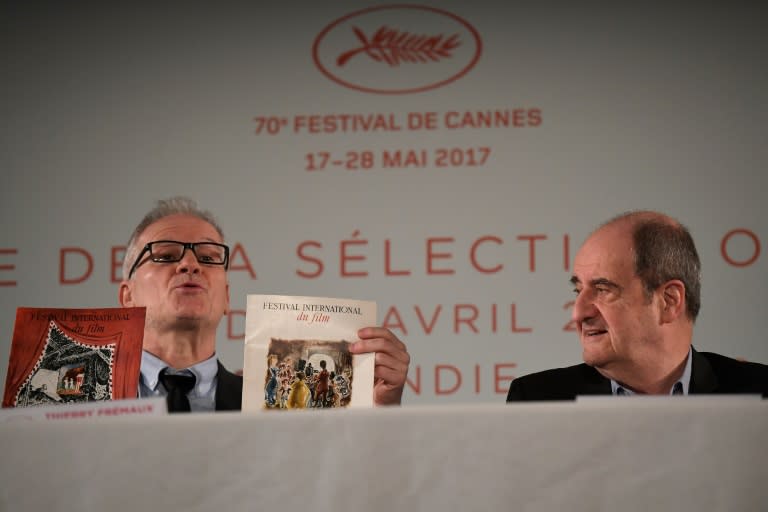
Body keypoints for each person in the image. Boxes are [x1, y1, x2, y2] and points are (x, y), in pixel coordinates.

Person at [119, 196, 410, 412]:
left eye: (208, 258)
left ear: (227, 298)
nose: (190, 264)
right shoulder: (81, 398)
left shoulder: (270, 404)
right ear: (127, 297)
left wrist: (377, 412)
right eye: (167, 255)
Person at [507, 210, 768, 401]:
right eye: (578, 290)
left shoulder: (758, 394)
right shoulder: (539, 399)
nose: (579, 313)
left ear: (669, 301)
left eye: (602, 290)